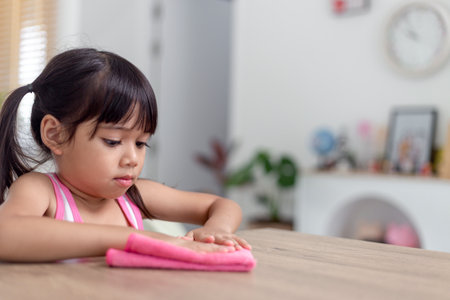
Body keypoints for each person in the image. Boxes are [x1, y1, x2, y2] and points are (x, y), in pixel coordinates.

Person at [0, 48, 250, 262]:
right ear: (56, 135)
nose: (132, 158)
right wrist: (136, 239)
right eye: (113, 141)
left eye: (141, 143)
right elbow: (6, 233)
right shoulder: (41, 191)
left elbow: (221, 205)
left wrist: (217, 229)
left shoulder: (135, 195)